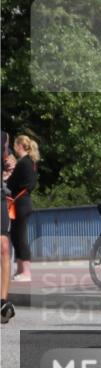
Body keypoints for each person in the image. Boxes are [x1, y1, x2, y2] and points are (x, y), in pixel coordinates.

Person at [8, 135, 40, 281]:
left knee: (20, 236)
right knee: (16, 235)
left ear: (20, 145)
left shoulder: (23, 163)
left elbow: (11, 183)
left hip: (21, 202)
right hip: (24, 201)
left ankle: (26, 272)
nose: (14, 148)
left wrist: (7, 175)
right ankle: (21, 270)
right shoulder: (30, 162)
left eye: (15, 145)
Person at [1, 131, 15, 324]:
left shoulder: (3, 137)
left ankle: (2, 302)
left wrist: (10, 162)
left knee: (3, 247)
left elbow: (8, 158)